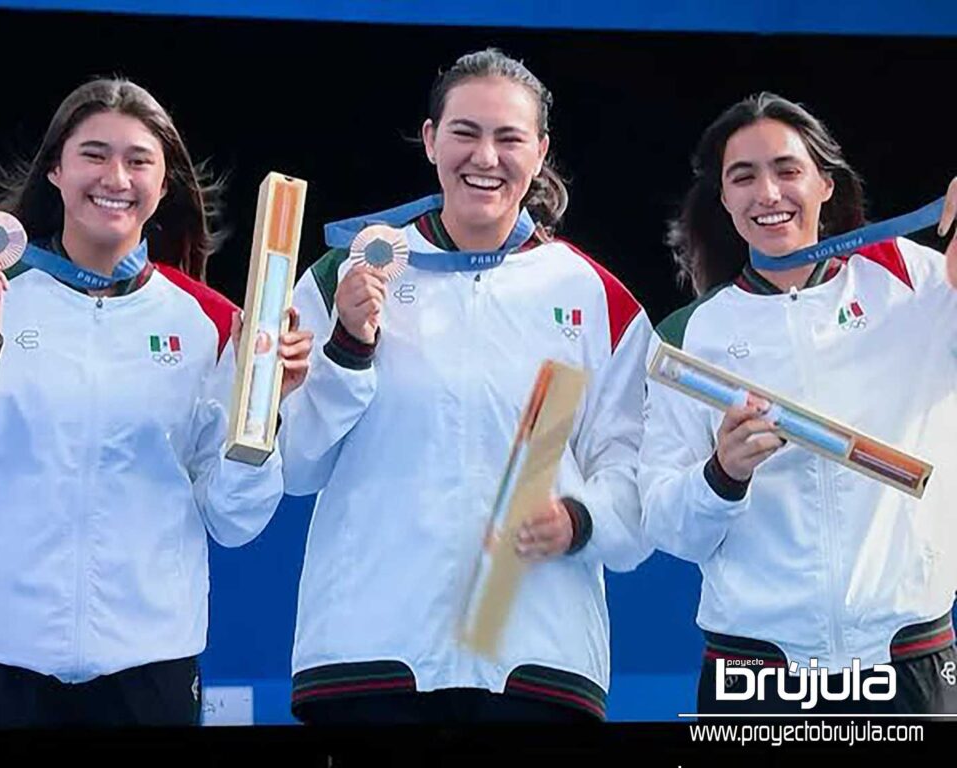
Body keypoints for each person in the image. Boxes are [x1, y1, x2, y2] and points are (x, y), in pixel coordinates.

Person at [280, 48, 653, 724]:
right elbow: (296, 466)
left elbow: (634, 477)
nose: (486, 156)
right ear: (430, 141)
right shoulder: (350, 273)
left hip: (535, 655)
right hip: (371, 652)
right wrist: (349, 347)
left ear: (540, 152)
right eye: (465, 132)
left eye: (509, 137)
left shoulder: (594, 296)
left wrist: (579, 520)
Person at [0, 78, 313, 728]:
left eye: (139, 160)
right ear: (55, 168)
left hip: (149, 668)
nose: (116, 176)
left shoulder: (212, 324)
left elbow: (235, 520)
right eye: (93, 154)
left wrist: (263, 411)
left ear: (163, 185)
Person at [640, 91, 957, 715]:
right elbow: (666, 525)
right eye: (744, 177)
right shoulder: (687, 335)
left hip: (908, 656)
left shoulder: (918, 283)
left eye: (788, 170)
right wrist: (722, 475)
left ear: (826, 184)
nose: (768, 193)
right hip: (756, 669)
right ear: (723, 198)